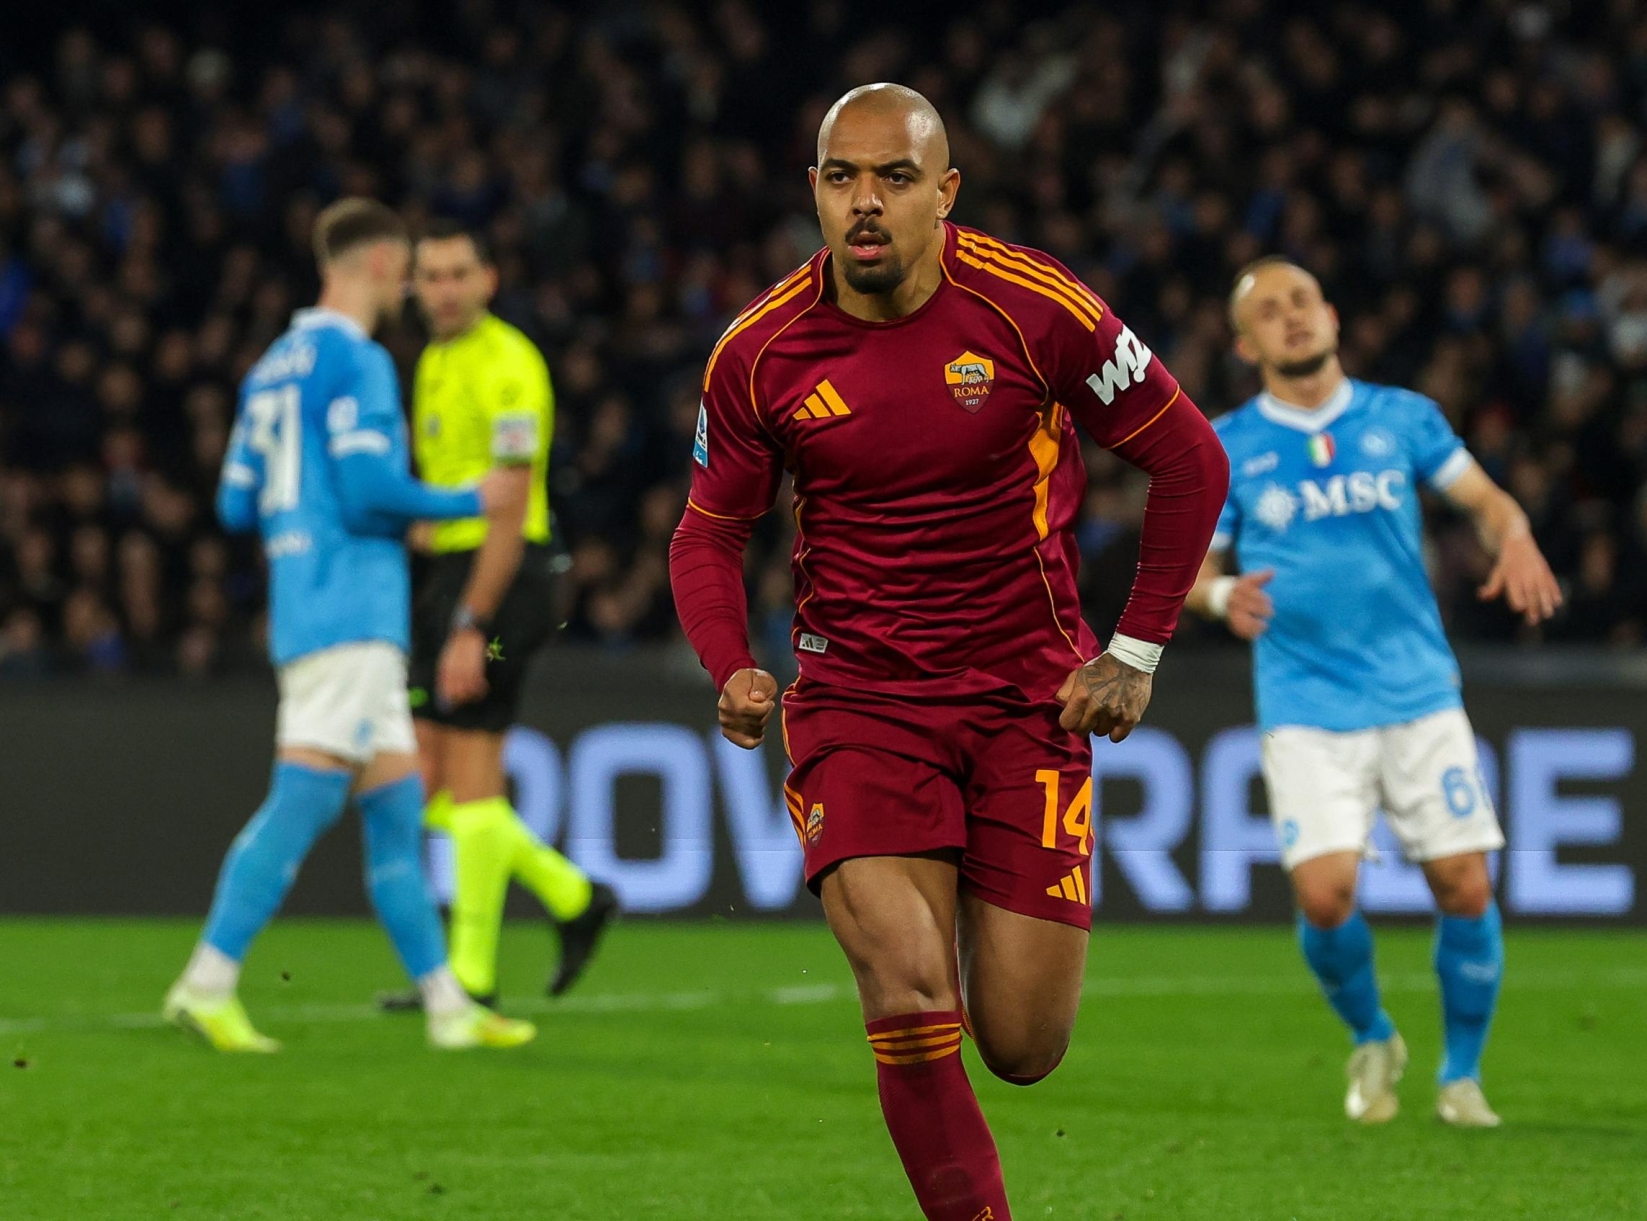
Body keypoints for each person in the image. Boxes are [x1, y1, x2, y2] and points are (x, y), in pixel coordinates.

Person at [668, 84, 1227, 1221]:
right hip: (857, 702)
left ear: (945, 193)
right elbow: (709, 528)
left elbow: (1191, 461)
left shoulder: (1034, 308)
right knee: (908, 988)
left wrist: (1135, 651)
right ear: (815, 192)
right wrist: (730, 662)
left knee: (1022, 1046)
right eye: (842, 178)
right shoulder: (758, 352)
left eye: (895, 178)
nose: (865, 204)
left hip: (1030, 700)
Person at [1189, 257, 1561, 1128]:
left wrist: (1516, 535)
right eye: (1269, 312)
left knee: (1465, 884)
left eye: (1302, 302)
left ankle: (1461, 1074)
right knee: (1325, 896)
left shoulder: (1404, 418)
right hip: (1305, 698)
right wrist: (1217, 596)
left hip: (1417, 689)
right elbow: (1190, 571)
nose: (1291, 319)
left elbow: (1487, 499)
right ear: (1246, 344)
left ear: (1331, 315)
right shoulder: (1228, 445)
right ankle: (1373, 1032)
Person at [161, 199, 533, 1052]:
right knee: (303, 798)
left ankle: (447, 1007)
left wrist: (305, 527)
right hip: (352, 611)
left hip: (306, 597)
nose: (407, 289)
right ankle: (206, 981)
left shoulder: (269, 368)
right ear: (376, 266)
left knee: (398, 808)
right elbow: (368, 489)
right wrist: (465, 498)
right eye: (405, 272)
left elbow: (231, 500)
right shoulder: (357, 360)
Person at [376, 219, 617, 1014]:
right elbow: (451, 490)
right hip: (454, 573)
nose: (443, 290)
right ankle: (572, 895)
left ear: (488, 279)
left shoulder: (510, 366)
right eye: (430, 276)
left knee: (469, 772)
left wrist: (473, 622)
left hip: (506, 577)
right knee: (434, 776)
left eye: (457, 274)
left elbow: (509, 507)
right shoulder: (436, 362)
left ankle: (470, 974)